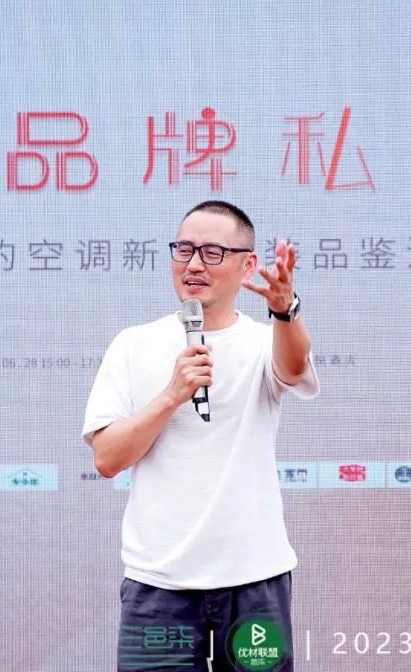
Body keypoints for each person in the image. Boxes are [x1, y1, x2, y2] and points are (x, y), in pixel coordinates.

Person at [82, 200, 319, 671]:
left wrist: (285, 312)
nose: (193, 264)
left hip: (254, 580)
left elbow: (293, 368)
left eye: (212, 252)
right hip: (159, 585)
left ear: (248, 265)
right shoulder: (134, 344)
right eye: (184, 249)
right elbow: (107, 458)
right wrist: (171, 395)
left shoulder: (263, 340)